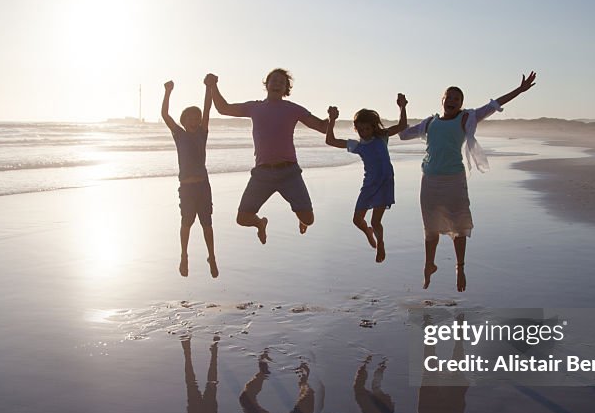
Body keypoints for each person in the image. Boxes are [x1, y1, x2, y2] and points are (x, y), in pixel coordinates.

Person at [398, 72, 537, 292]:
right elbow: (403, 134)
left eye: (456, 98)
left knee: (459, 225)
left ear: (461, 103)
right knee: (431, 227)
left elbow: (493, 105)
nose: (452, 101)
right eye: (448, 97)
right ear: (441, 101)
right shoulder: (430, 122)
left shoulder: (466, 118)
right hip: (430, 180)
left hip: (454, 179)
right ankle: (429, 264)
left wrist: (519, 90)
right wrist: (403, 108)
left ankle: (459, 267)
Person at [206, 69, 335, 244]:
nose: (277, 84)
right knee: (243, 218)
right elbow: (223, 109)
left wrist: (332, 119)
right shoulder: (255, 107)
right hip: (262, 174)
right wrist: (213, 86)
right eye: (273, 80)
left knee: (309, 219)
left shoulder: (293, 109)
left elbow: (321, 127)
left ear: (286, 89)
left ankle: (300, 216)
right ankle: (260, 223)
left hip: (289, 173)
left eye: (281, 82)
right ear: (266, 85)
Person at [325, 94, 409, 263]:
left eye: (367, 129)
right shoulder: (358, 145)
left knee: (375, 221)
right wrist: (331, 120)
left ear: (373, 127)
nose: (364, 133)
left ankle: (381, 244)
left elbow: (402, 125)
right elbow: (331, 141)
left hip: (385, 183)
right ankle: (368, 232)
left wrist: (402, 107)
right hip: (369, 185)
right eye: (360, 130)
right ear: (356, 129)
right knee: (357, 220)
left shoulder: (382, 137)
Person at [161, 78, 217, 277]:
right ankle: (184, 255)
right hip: (186, 188)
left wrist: (209, 88)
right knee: (186, 223)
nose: (194, 120)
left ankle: (212, 255)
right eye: (190, 118)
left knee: (207, 223)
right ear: (183, 121)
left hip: (203, 186)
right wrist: (168, 92)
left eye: (197, 118)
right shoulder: (179, 135)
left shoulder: (202, 133)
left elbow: (207, 109)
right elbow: (165, 115)